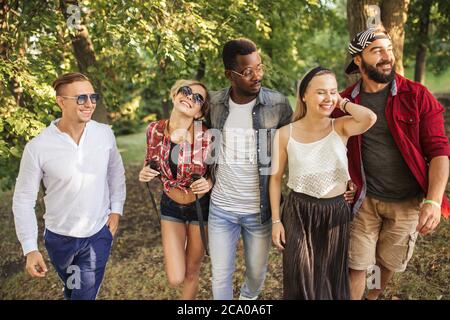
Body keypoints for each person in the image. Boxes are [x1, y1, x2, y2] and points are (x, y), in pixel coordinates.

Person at [206, 39, 356, 300]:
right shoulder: (215, 103)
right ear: (230, 74)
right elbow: (193, 133)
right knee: (220, 274)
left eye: (260, 67)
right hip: (221, 207)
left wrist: (340, 178)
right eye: (248, 71)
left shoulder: (277, 104)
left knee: (256, 274)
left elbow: (305, 139)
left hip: (259, 210)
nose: (257, 76)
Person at [335, 26, 450, 300]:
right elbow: (329, 147)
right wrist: (341, 180)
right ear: (359, 60)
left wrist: (433, 201)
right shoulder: (346, 101)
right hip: (364, 200)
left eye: (389, 49)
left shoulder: (417, 96)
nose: (387, 56)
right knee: (357, 265)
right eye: (377, 50)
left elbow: (439, 152)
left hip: (406, 201)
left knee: (386, 262)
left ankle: (372, 297)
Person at [12, 72, 126, 300]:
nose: (90, 104)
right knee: (73, 287)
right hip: (59, 238)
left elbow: (116, 173)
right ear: (61, 101)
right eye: (81, 98)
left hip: (97, 234)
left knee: (83, 294)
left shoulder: (104, 134)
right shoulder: (38, 147)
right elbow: (23, 200)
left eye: (93, 97)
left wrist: (116, 209)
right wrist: (30, 247)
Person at [270, 66, 377, 299]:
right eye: (321, 92)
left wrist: (342, 103)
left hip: (336, 212)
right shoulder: (285, 134)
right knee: (300, 276)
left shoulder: (340, 126)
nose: (328, 97)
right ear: (304, 95)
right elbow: (275, 179)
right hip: (299, 211)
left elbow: (370, 117)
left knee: (328, 280)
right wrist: (276, 221)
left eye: (333, 91)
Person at [139, 79, 213, 299]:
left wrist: (208, 183)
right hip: (171, 206)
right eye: (186, 91)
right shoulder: (154, 130)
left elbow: (216, 173)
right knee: (175, 277)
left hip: (200, 208)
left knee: (191, 272)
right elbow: (151, 162)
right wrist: (145, 172)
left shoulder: (207, 135)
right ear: (174, 95)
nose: (190, 97)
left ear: (200, 112)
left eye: (198, 98)